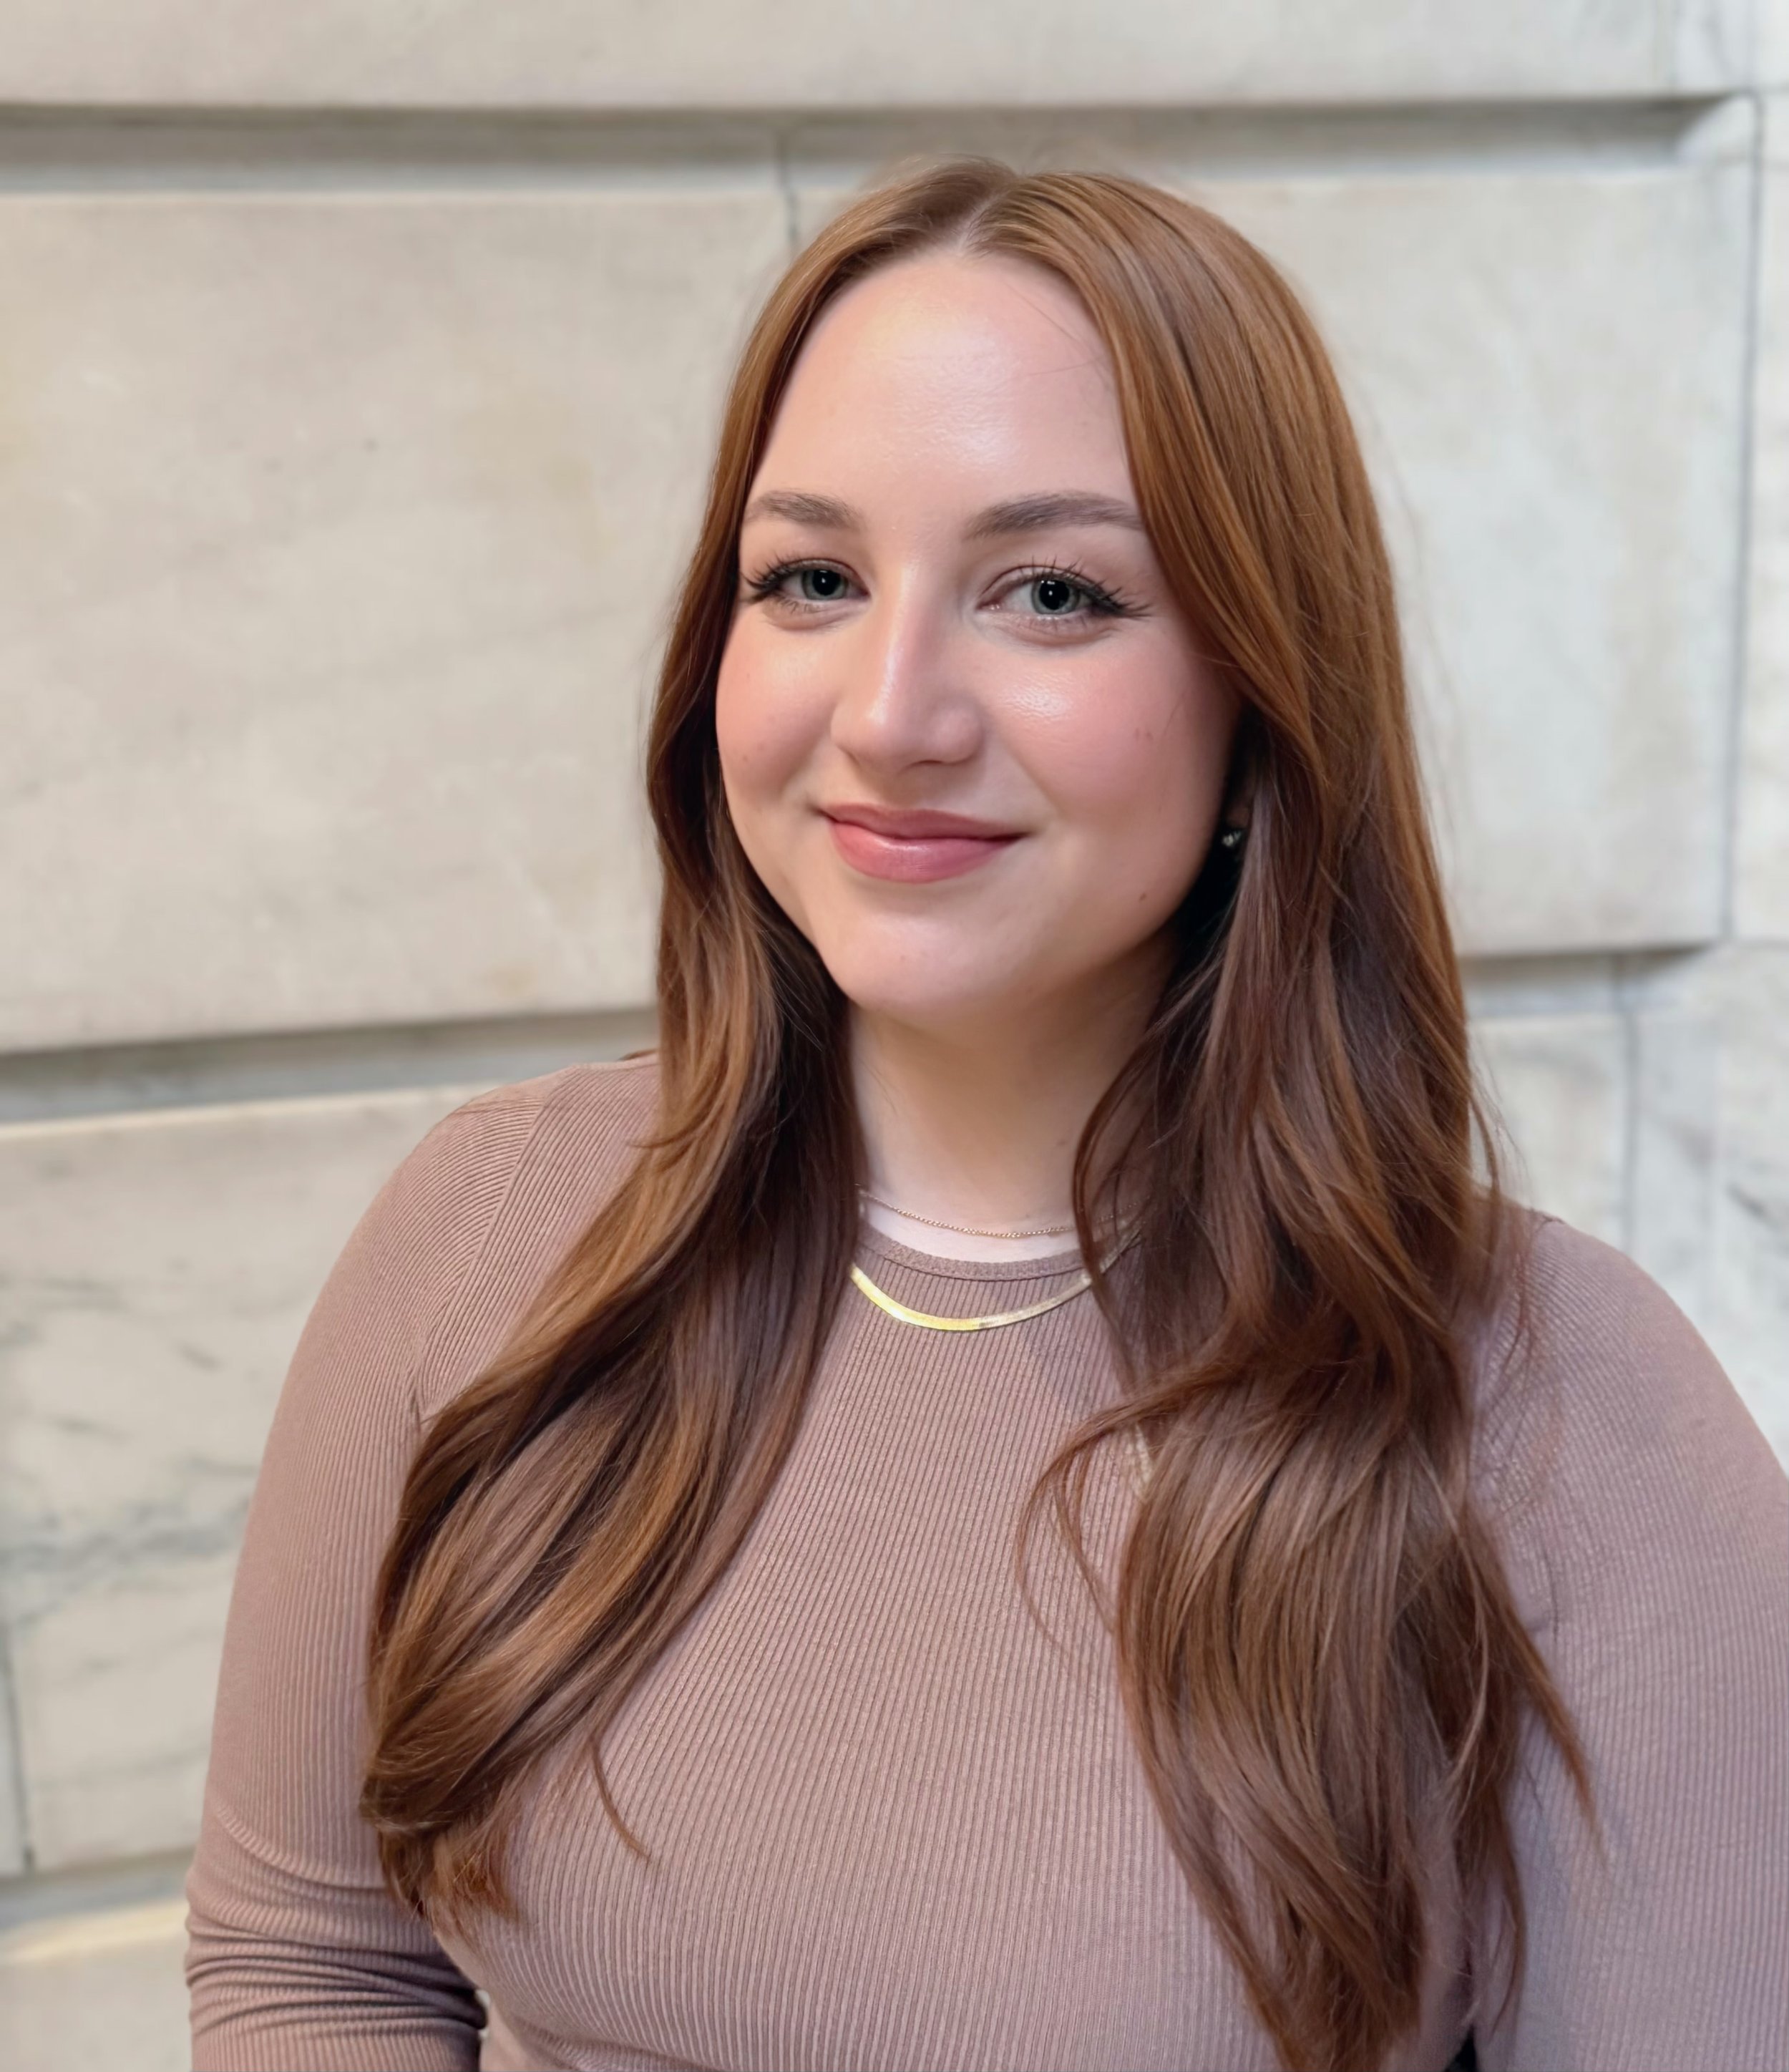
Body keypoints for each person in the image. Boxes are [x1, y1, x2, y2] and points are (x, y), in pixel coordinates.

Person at [185, 158, 1787, 2072]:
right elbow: (315, 1968)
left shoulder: (1559, 1412)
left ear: (1259, 703)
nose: (892, 711)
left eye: (1052, 592)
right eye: (813, 579)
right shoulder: (485, 1238)